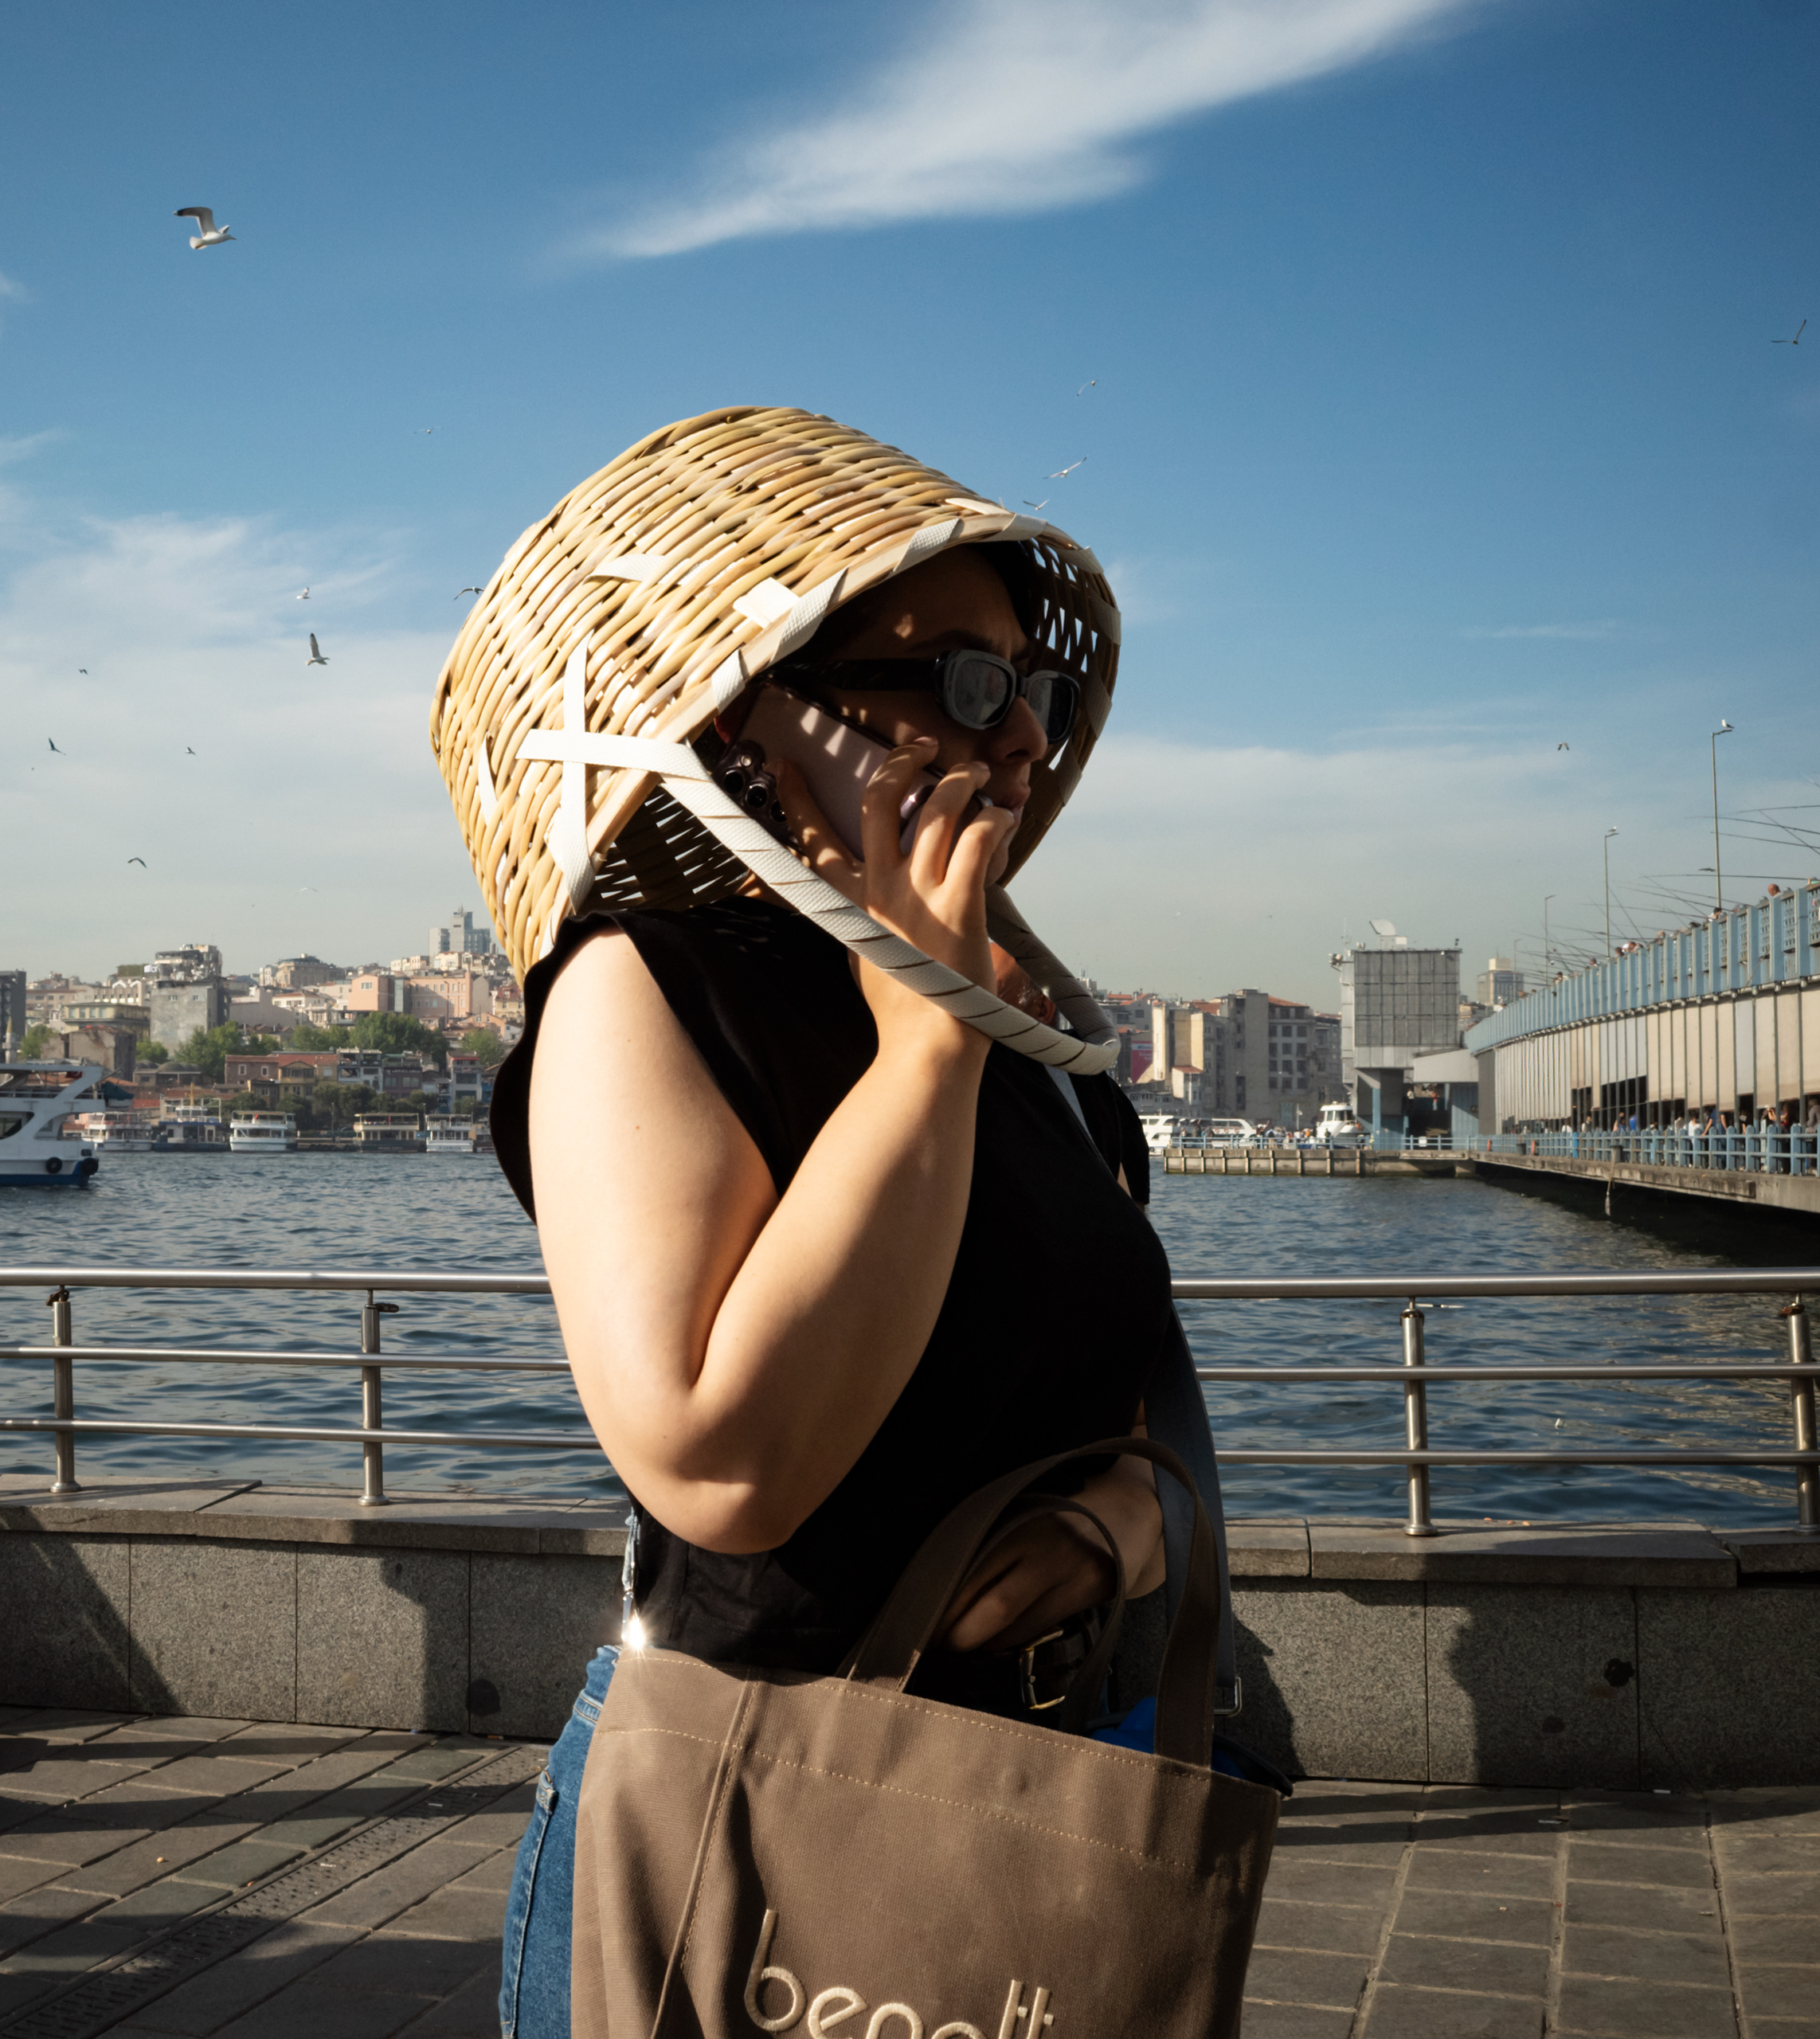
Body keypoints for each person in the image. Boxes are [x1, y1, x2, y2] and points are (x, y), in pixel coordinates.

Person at [444, 413, 1182, 2037]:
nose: (1020, 745)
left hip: (1067, 1769)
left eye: (1036, 695)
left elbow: (1129, 1417)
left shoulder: (1043, 1051)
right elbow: (721, 1456)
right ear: (768, 715)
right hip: (773, 1810)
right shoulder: (652, 993)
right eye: (962, 682)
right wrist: (919, 1046)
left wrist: (1104, 1537)